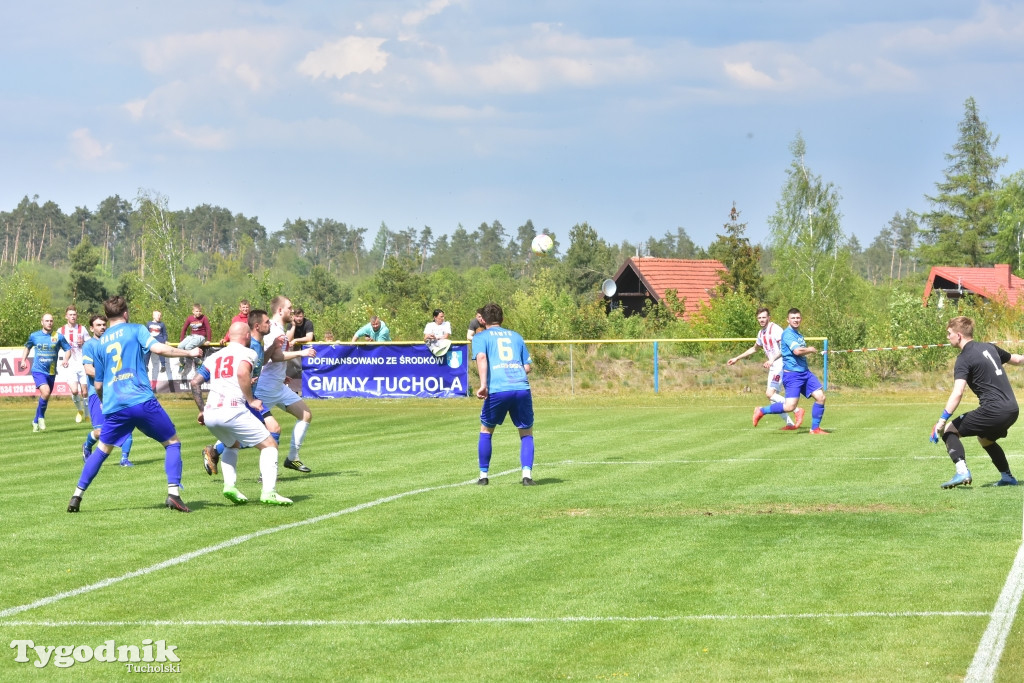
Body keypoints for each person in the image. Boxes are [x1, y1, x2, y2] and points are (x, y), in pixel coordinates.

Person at [67, 295, 202, 513]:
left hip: (115, 406)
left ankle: (76, 496)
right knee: (172, 443)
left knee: (102, 450)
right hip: (141, 400)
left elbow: (99, 385)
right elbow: (159, 349)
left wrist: (105, 405)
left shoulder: (100, 344)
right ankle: (173, 494)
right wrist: (189, 352)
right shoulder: (135, 329)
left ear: (108, 317)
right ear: (126, 314)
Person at [191, 321, 292, 505]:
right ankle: (269, 492)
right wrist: (251, 400)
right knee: (269, 445)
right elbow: (241, 373)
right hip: (233, 409)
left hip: (212, 413)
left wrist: (201, 410)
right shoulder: (248, 352)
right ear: (247, 336)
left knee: (232, 444)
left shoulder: (215, 356)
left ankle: (230, 486)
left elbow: (195, 382)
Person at [931, 316, 1023, 489]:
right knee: (985, 439)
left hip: (994, 410)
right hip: (1012, 409)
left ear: (958, 335)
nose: (947, 337)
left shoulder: (964, 358)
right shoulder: (989, 347)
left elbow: (958, 393)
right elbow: (1017, 360)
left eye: (949, 333)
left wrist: (942, 421)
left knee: (950, 431)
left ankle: (962, 471)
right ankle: (1008, 477)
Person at [472, 302, 536, 486]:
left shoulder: (480, 337)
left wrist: (483, 385)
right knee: (526, 432)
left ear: (483, 320)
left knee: (486, 430)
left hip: (498, 389)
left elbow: (482, 357)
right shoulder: (516, 336)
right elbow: (527, 367)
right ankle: (527, 476)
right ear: (502, 319)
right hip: (520, 387)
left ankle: (483, 476)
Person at [255, 295, 318, 473]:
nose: (292, 311)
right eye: (289, 308)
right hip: (265, 388)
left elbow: (273, 360)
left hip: (278, 386)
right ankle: (215, 449)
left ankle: (292, 458)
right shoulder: (274, 330)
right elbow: (274, 357)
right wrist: (301, 354)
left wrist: (282, 376)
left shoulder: (279, 329)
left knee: (305, 414)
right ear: (280, 310)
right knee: (254, 430)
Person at [753, 308, 827, 434]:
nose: (796, 320)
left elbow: (788, 351)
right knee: (789, 407)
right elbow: (797, 351)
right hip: (793, 375)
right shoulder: (787, 334)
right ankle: (761, 411)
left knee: (821, 397)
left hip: (805, 373)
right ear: (788, 320)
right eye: (793, 318)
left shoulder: (798, 334)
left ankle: (815, 429)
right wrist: (810, 349)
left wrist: (810, 351)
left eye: (798, 318)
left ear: (801, 319)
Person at [727, 307, 799, 430]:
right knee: (772, 398)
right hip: (773, 365)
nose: (761, 320)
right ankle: (790, 424)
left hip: (781, 364)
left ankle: (797, 409)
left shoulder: (775, 329)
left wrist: (772, 360)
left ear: (769, 318)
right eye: (759, 318)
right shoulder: (761, 333)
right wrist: (737, 358)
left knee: (770, 394)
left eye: (764, 317)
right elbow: (755, 348)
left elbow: (784, 349)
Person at [81, 314, 135, 467]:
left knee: (126, 423)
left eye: (104, 324)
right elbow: (88, 369)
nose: (102, 327)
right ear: (91, 328)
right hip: (96, 393)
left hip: (116, 391)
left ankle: (124, 459)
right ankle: (87, 445)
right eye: (98, 325)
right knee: (102, 431)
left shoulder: (112, 341)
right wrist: (106, 377)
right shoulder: (90, 345)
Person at [20, 313, 71, 432]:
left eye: (51, 321)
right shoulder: (34, 336)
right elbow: (27, 347)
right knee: (46, 392)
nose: (49, 323)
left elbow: (68, 349)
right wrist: (23, 360)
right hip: (38, 370)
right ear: (42, 322)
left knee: (45, 396)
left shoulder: (58, 336)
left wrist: (66, 359)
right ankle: (41, 417)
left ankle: (35, 420)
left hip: (51, 372)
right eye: (47, 321)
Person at [57, 305, 90, 423]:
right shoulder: (61, 331)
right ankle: (79, 410)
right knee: (75, 390)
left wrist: (84, 342)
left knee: (85, 391)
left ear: (77, 316)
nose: (73, 316)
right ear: (66, 316)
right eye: (70, 314)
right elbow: (55, 344)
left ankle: (87, 415)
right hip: (69, 364)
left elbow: (90, 342)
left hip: (82, 363)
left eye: (74, 314)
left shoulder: (82, 329)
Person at [179, 302, 211, 383]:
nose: (198, 313)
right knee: (180, 346)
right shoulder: (190, 318)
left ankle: (198, 361)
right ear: (193, 311)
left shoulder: (204, 318)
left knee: (188, 347)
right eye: (197, 311)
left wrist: (208, 340)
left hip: (201, 337)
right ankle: (182, 363)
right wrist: (182, 339)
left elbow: (208, 329)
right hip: (192, 336)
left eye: (200, 311)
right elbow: (184, 329)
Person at [286, 307, 315, 381]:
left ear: (303, 316)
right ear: (293, 316)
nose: (299, 318)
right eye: (297, 316)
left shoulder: (308, 323)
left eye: (301, 316)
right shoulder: (290, 324)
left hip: (309, 349)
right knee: (295, 370)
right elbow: (288, 339)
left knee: (309, 369)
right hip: (296, 350)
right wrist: (293, 326)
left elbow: (309, 338)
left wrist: (296, 340)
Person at [147, 310, 170, 390]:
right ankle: (146, 365)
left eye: (160, 315)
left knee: (161, 351)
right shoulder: (149, 323)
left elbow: (164, 334)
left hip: (159, 340)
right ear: (153, 316)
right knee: (147, 351)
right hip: (151, 341)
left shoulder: (162, 324)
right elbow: (146, 333)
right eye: (157, 315)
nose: (159, 317)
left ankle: (163, 365)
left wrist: (164, 340)